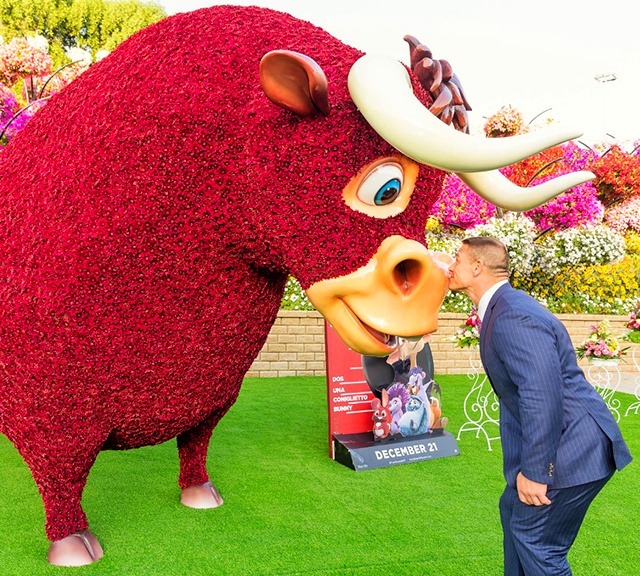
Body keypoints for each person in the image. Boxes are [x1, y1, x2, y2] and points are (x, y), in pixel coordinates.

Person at [448, 236, 632, 576]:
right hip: (568, 441)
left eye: (456, 258)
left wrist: (534, 472)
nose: (449, 265)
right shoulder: (504, 306)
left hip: (575, 447)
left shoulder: (513, 315)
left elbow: (541, 395)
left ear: (477, 267)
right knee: (513, 511)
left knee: (538, 544)